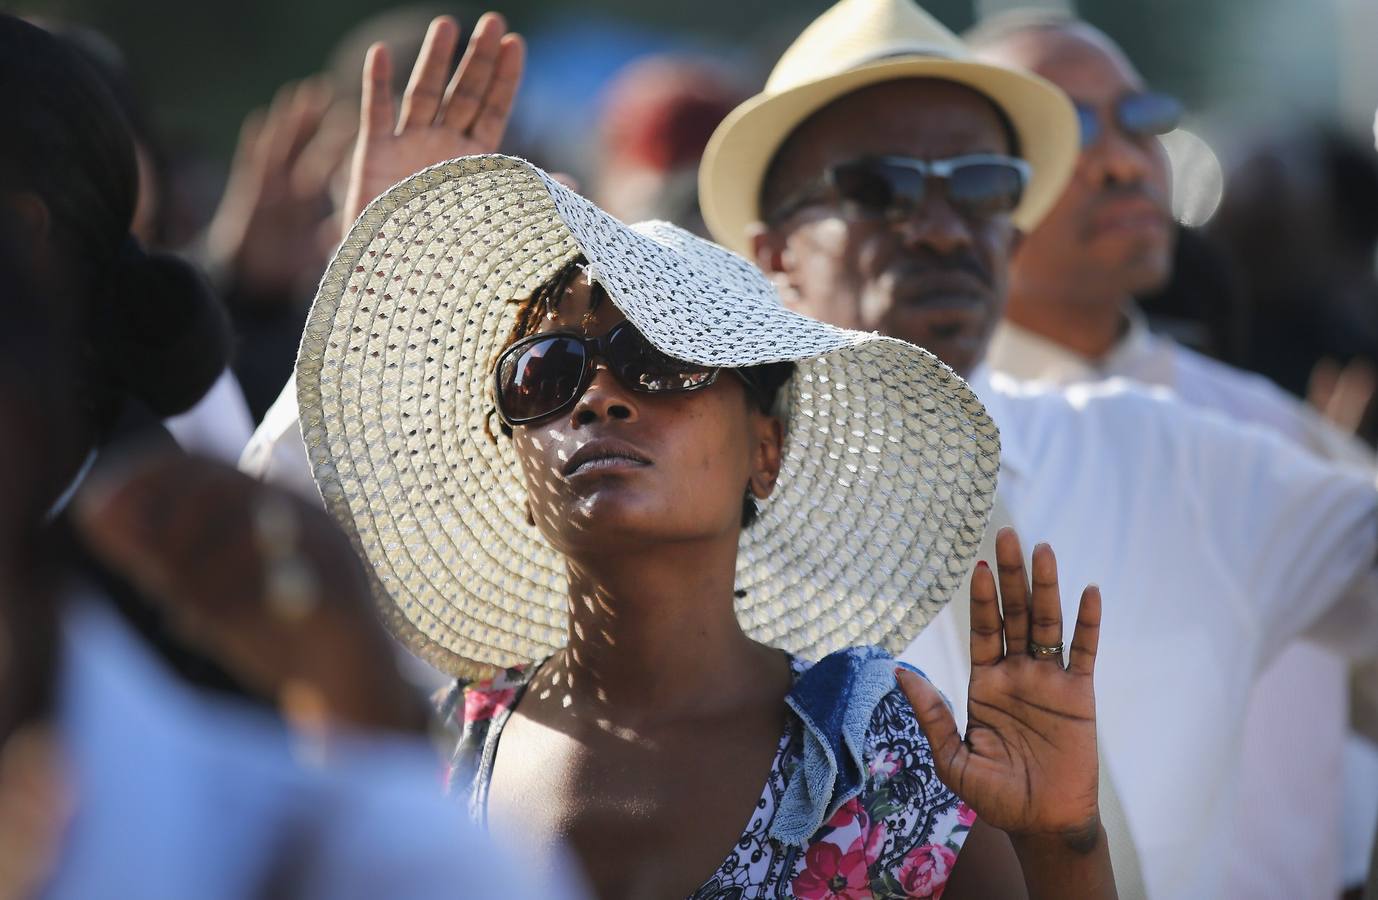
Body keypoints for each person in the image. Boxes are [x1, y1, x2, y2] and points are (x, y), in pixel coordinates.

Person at [297, 146, 1117, 897]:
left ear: (766, 449)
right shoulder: (437, 750)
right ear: (521, 473)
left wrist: (1063, 844)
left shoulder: (882, 755)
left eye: (659, 358)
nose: (598, 397)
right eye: (544, 374)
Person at [696, 0, 1378, 896]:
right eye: (880, 189)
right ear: (772, 252)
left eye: (981, 185)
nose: (942, 229)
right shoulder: (704, 522)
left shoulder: (1168, 457)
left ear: (1012, 234)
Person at [967, 13, 1378, 897]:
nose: (1122, 160)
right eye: (1067, 130)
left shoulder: (1276, 432)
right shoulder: (920, 455)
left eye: (1141, 118)